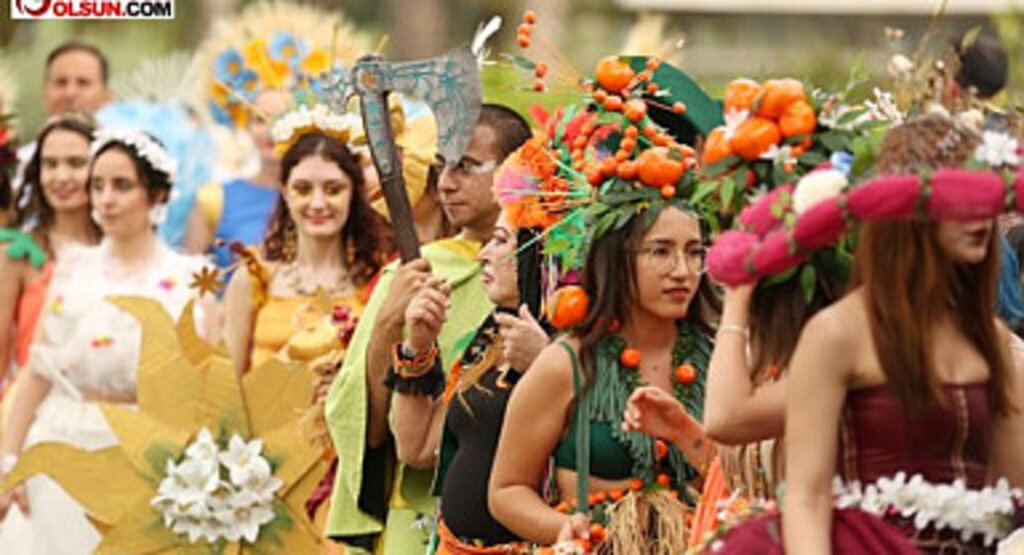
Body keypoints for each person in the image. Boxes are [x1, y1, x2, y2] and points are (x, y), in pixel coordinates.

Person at [782, 114, 1024, 553]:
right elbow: (805, 496)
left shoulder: (993, 338)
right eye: (960, 197)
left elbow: (1013, 494)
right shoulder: (836, 332)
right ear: (905, 210)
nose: (981, 216)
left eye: (986, 196)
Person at [323, 103, 531, 554]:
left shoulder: (555, 275)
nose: (447, 184)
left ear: (520, 169)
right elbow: (369, 428)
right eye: (441, 168)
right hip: (414, 513)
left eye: (467, 166)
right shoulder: (416, 271)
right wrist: (388, 325)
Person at [0, 129, 211, 553]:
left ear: (157, 195)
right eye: (97, 185)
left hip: (142, 451)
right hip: (61, 437)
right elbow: (38, 372)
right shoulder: (72, 268)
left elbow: (204, 388)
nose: (106, 199)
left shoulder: (188, 280)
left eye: (122, 186)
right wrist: (9, 460)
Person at [390, 203, 550, 552]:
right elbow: (415, 448)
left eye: (500, 241)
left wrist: (545, 362)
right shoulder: (490, 339)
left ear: (542, 253)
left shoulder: (578, 340)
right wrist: (419, 343)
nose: (484, 256)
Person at [0, 114, 100, 395]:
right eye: (50, 164)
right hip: (33, 415)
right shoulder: (15, 253)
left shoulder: (121, 250)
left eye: (76, 163)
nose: (61, 176)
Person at [12, 42, 113, 201]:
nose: (70, 93)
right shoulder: (19, 161)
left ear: (107, 96)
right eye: (61, 82)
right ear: (44, 92)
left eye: (83, 83)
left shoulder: (122, 161)